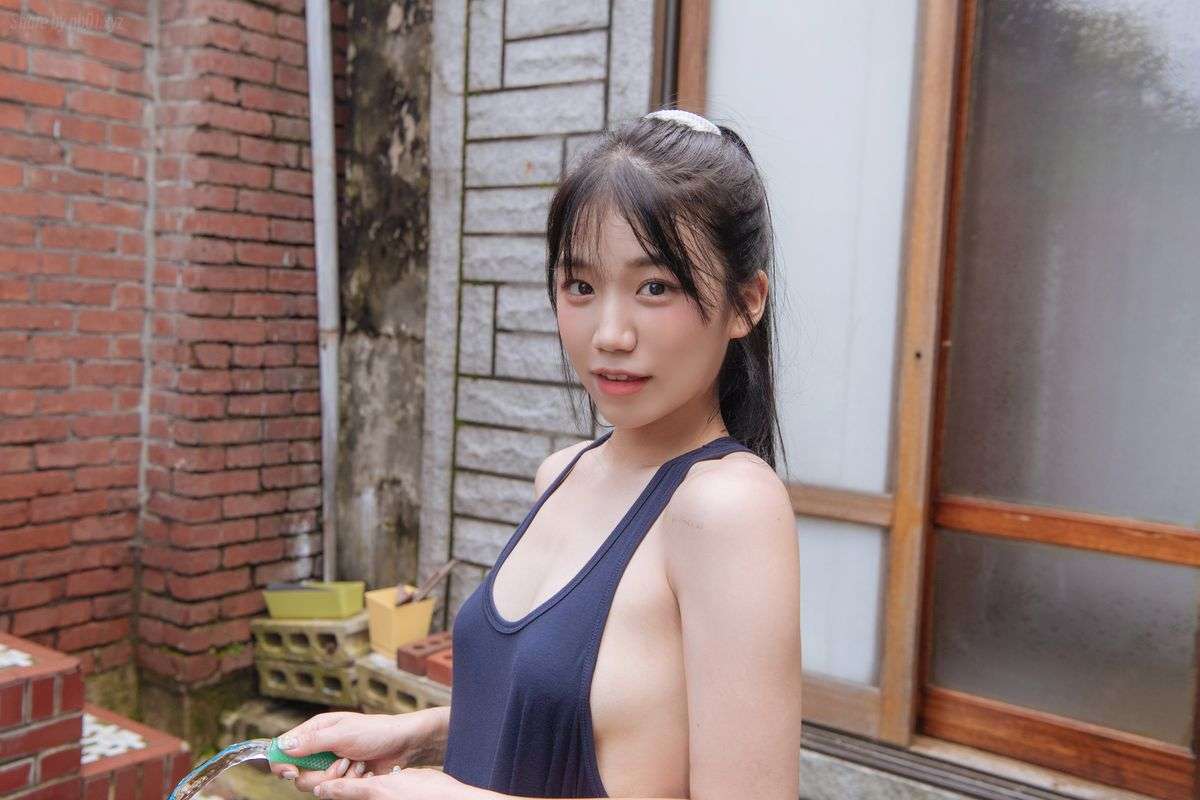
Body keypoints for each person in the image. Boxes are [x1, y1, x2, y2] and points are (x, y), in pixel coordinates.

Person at [270, 108, 803, 800]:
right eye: (581, 286)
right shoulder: (562, 473)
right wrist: (418, 735)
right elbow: (583, 725)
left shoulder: (728, 507)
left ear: (745, 303)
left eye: (655, 287)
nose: (609, 334)